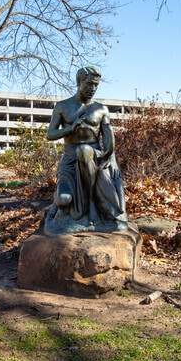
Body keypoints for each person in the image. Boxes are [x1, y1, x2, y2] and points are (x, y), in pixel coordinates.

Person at [44, 66, 128, 235]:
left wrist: (111, 160)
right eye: (89, 84)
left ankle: (92, 208)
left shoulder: (101, 109)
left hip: (95, 159)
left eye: (96, 85)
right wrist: (68, 130)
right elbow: (50, 134)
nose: (93, 89)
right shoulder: (63, 106)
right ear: (79, 82)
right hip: (70, 160)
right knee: (63, 199)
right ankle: (58, 208)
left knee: (84, 150)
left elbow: (108, 136)